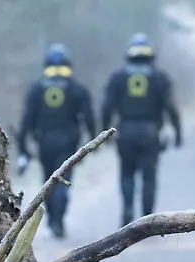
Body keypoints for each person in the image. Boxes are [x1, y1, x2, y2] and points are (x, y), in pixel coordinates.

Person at [101, 32, 183, 227]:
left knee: (127, 174)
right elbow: (171, 107)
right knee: (149, 176)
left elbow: (106, 107)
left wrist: (104, 132)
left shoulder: (118, 77)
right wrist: (177, 132)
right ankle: (147, 218)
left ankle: (128, 210)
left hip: (125, 133)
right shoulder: (160, 77)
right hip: (150, 133)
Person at [15, 43, 96, 239]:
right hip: (68, 143)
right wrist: (94, 141)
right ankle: (58, 219)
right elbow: (89, 117)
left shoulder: (36, 88)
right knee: (64, 181)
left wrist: (23, 148)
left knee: (49, 181)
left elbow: (26, 121)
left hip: (44, 143)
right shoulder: (77, 88)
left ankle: (53, 219)